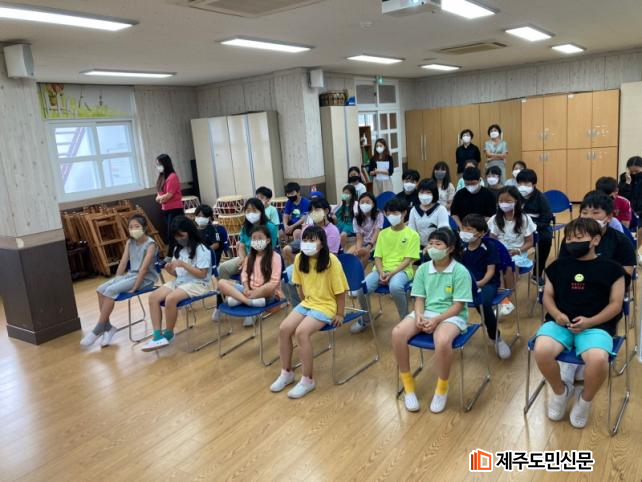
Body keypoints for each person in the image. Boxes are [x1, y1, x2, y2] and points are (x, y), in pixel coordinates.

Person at [534, 217, 625, 428]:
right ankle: (560, 392)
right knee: (542, 350)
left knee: (598, 360)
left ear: (595, 240)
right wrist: (556, 314)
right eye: (569, 239)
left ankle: (584, 401)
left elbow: (615, 305)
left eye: (578, 238)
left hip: (597, 325)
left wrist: (590, 321)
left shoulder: (613, 269)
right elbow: (547, 296)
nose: (572, 242)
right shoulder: (556, 266)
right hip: (560, 323)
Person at [392, 227, 473, 413]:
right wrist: (419, 315)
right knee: (397, 333)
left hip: (451, 315)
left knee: (442, 340)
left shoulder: (460, 271)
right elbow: (419, 299)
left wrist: (437, 320)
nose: (432, 248)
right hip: (427, 312)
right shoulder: (423, 269)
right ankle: (408, 385)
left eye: (438, 244)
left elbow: (458, 306)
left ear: (450, 248)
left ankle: (442, 388)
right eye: (430, 244)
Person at [269, 226, 348, 399]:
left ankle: (307, 380)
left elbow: (341, 291)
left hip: (326, 305)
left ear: (322, 243)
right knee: (284, 329)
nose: (307, 243)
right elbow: (300, 286)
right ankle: (286, 372)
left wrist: (340, 314)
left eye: (312, 240)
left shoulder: (332, 261)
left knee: (301, 332)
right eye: (305, 240)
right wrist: (303, 307)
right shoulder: (299, 258)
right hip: (308, 303)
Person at [81, 215, 159, 347]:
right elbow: (123, 262)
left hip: (144, 279)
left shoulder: (151, 244)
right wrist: (117, 278)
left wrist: (135, 287)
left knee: (110, 290)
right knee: (100, 289)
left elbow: (144, 269)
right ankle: (107, 326)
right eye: (131, 227)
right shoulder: (130, 242)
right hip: (131, 275)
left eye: (137, 226)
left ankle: (99, 328)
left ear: (145, 228)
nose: (133, 229)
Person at [351, 198, 420, 333]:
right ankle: (365, 318)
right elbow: (377, 256)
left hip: (402, 271)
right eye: (388, 213)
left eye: (395, 213)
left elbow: (408, 260)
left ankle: (405, 319)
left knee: (395, 287)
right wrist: (382, 272)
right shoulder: (383, 234)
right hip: (380, 270)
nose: (391, 216)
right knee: (360, 289)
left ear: (404, 213)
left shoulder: (413, 235)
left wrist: (391, 273)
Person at [142, 216, 212, 352]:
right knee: (153, 297)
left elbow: (202, 274)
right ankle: (157, 336)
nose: (179, 239)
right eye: (176, 236)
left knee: (171, 299)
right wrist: (170, 270)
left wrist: (183, 264)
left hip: (199, 284)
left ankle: (169, 333)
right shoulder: (178, 249)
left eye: (181, 235)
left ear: (190, 232)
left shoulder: (202, 249)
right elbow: (178, 274)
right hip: (181, 282)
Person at [214, 198, 279, 325]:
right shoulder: (246, 226)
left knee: (255, 272)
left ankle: (248, 309)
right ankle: (221, 304)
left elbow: (270, 248)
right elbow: (242, 245)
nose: (250, 213)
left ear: (261, 211)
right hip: (246, 257)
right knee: (222, 268)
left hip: (263, 257)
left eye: (254, 210)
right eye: (248, 211)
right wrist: (243, 259)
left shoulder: (270, 226)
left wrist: (251, 261)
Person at [460, 215, 511, 359]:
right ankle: (454, 327)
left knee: (483, 302)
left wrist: (478, 284)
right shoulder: (461, 247)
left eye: (469, 230)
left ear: (481, 233)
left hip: (486, 283)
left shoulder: (489, 247)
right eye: (463, 229)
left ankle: (496, 337)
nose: (465, 232)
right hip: (464, 283)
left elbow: (491, 271)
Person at [559, 191, 636, 279]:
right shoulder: (571, 239)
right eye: (584, 213)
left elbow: (626, 275)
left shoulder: (621, 241)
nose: (589, 217)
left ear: (609, 217)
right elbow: (562, 267)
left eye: (595, 213)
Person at [488, 186, 537, 316]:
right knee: (496, 267)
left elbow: (529, 242)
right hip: (500, 252)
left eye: (508, 201)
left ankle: (506, 300)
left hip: (519, 253)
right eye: (501, 201)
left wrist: (517, 250)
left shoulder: (525, 219)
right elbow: (492, 240)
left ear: (516, 201)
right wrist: (499, 251)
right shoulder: (495, 219)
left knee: (510, 266)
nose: (504, 204)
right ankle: (502, 300)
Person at [218, 225, 282, 310]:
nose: (256, 241)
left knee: (269, 286)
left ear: (268, 240)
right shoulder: (250, 257)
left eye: (260, 238)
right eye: (254, 239)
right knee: (221, 282)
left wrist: (254, 293)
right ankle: (247, 301)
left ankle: (239, 298)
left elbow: (274, 282)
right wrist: (246, 288)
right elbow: (244, 274)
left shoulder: (275, 257)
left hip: (266, 293)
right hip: (249, 290)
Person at [517, 169, 553, 281]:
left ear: (534, 184)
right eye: (520, 183)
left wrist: (531, 227)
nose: (523, 186)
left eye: (526, 184)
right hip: (516, 226)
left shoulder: (541, 198)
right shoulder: (514, 196)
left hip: (536, 227)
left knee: (546, 239)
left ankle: (537, 273)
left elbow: (546, 218)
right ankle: (511, 270)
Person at [408, 178, 450, 250]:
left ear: (434, 193)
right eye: (421, 192)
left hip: (437, 247)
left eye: (428, 192)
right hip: (418, 247)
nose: (424, 195)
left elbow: (443, 231)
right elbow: (411, 231)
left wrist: (431, 246)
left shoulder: (440, 209)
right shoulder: (414, 210)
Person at [155, 154, 183, 256]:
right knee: (171, 233)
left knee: (173, 234)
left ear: (165, 164)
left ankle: (171, 255)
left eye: (159, 164)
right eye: (156, 164)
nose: (157, 166)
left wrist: (161, 199)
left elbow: (168, 196)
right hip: (166, 210)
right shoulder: (161, 177)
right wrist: (161, 198)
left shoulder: (172, 176)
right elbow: (158, 196)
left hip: (175, 209)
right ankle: (174, 254)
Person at [349, 192, 384, 268]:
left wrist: (369, 247)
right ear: (359, 204)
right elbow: (359, 237)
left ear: (373, 204)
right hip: (363, 243)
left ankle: (360, 272)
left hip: (375, 243)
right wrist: (358, 249)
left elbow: (376, 233)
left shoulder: (379, 214)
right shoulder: (356, 218)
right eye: (362, 202)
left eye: (368, 202)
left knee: (365, 254)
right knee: (349, 254)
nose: (365, 204)